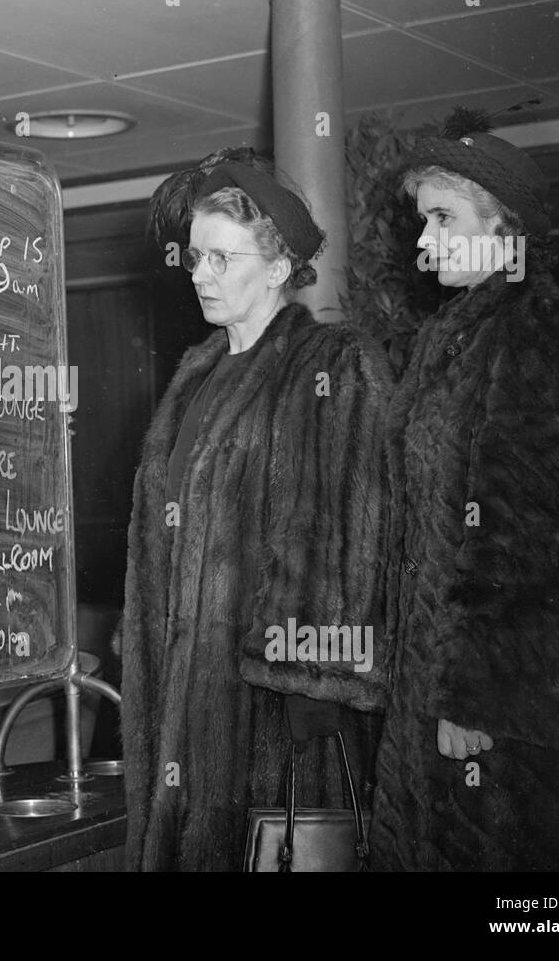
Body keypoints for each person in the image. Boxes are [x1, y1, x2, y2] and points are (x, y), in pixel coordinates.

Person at [369, 108, 559, 871]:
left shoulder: (539, 326)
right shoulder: (455, 335)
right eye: (422, 218)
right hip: (440, 683)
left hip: (512, 711)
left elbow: (527, 528)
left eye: (441, 217)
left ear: (507, 228)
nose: (423, 240)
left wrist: (479, 695)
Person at [120, 148, 394, 871]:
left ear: (278, 268)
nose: (199, 274)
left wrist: (311, 687)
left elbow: (338, 532)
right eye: (194, 256)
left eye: (221, 258)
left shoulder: (330, 364)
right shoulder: (197, 375)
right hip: (179, 703)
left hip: (269, 714)